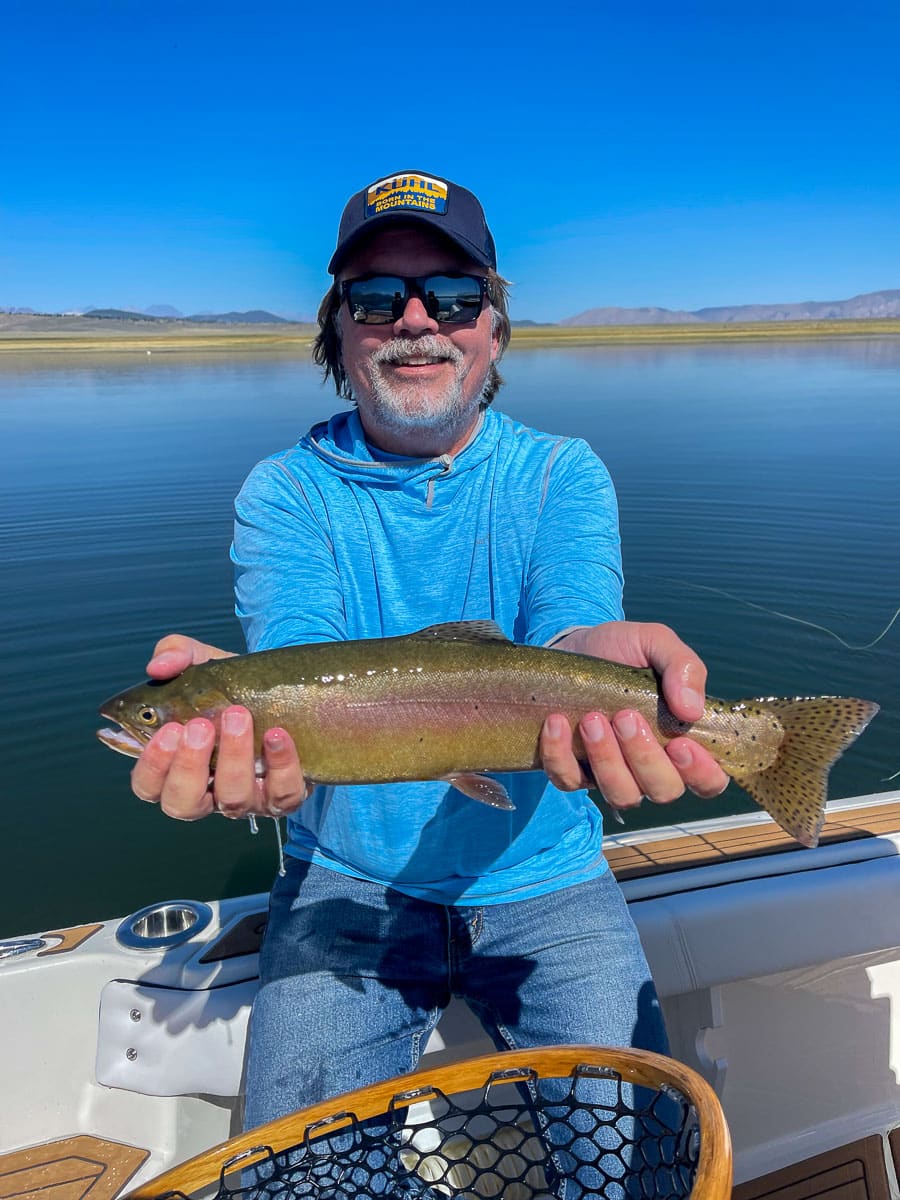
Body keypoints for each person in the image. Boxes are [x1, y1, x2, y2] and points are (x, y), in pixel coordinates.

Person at [130, 170, 728, 1131]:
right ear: (338, 329)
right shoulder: (283, 494)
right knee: (293, 1172)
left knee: (648, 1151)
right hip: (347, 886)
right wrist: (243, 732)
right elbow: (305, 658)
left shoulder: (561, 474)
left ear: (493, 327)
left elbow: (571, 630)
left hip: (552, 880)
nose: (416, 320)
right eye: (376, 297)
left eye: (451, 295)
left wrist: (600, 669)